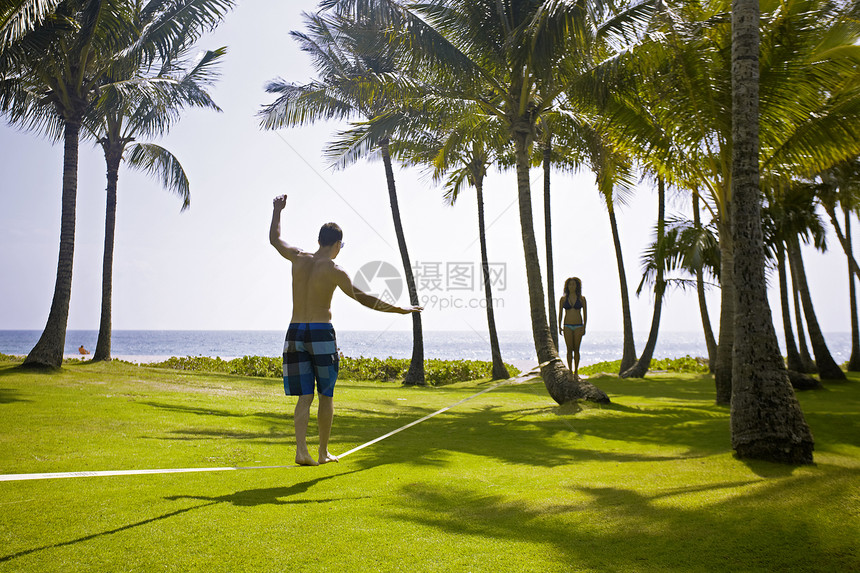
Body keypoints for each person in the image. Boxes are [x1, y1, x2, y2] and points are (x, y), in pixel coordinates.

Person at [270, 194, 421, 466]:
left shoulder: (298, 258)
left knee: (305, 395)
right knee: (326, 394)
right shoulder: (335, 269)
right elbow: (363, 297)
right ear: (337, 244)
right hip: (320, 332)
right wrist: (398, 309)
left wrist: (277, 210)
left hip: (295, 331)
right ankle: (322, 452)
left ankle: (301, 451)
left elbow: (275, 239)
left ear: (319, 240)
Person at [558, 277, 587, 379]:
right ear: (567, 286)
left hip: (579, 326)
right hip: (567, 326)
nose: (572, 286)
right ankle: (570, 371)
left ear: (577, 286)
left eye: (574, 284)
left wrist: (584, 327)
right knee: (569, 349)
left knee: (577, 349)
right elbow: (560, 313)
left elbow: (585, 314)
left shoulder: (582, 299)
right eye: (570, 284)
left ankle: (576, 371)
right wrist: (559, 326)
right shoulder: (563, 299)